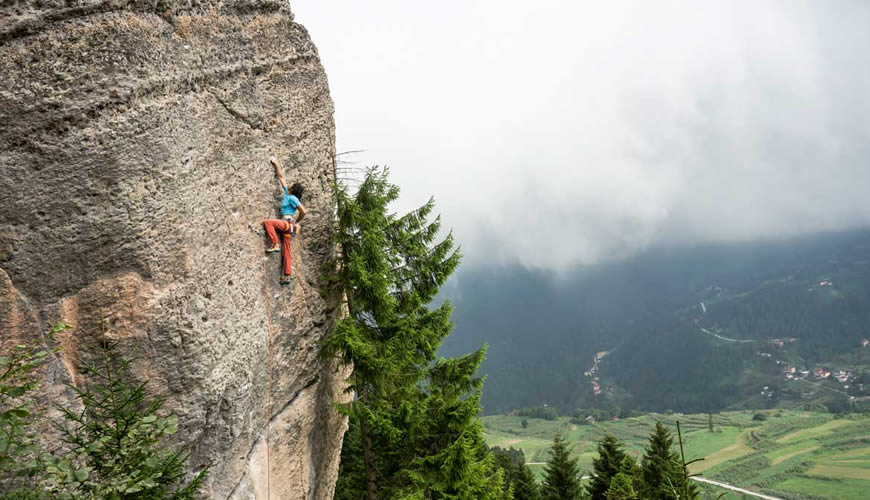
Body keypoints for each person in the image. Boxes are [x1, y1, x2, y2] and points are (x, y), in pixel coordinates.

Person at [262, 156, 307, 285]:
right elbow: (281, 177)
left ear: (293, 189)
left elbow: (303, 211)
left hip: (287, 224)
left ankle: (275, 243)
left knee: (268, 222)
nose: (290, 184)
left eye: (292, 185)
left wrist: (297, 221)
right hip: (288, 227)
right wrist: (276, 164)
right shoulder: (287, 192)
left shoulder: (292, 198)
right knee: (286, 251)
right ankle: (287, 276)